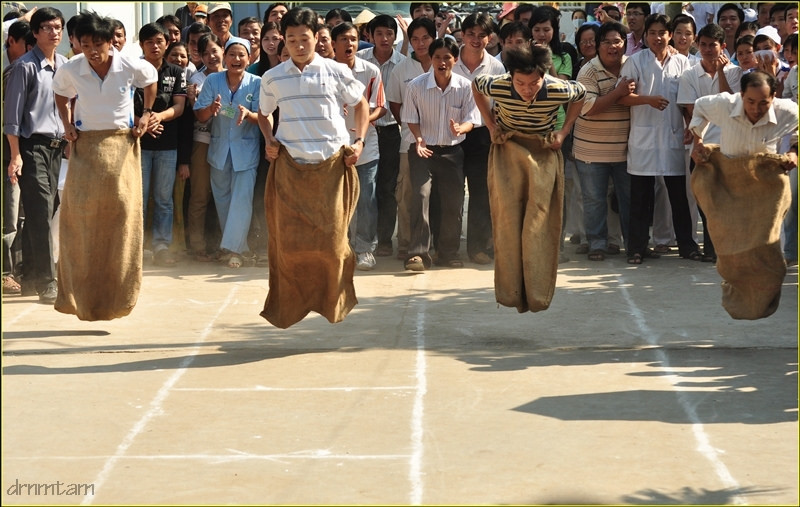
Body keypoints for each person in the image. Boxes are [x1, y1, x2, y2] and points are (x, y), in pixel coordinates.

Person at [258, 7, 368, 328]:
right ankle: (290, 306)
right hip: (289, 168)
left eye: (304, 38)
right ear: (284, 41)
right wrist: (269, 139)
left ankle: (332, 303)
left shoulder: (336, 71)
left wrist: (359, 141)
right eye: (290, 39)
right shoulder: (272, 77)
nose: (298, 45)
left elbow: (361, 104)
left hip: (332, 168)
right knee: (289, 246)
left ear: (316, 37)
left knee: (333, 246)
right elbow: (264, 114)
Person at [51, 11, 158, 320]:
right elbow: (59, 93)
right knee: (80, 215)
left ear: (112, 41)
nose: (93, 50)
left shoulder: (129, 65)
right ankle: (77, 297)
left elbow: (150, 81)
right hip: (85, 145)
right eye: (85, 44)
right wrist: (66, 123)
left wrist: (147, 112)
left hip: (122, 142)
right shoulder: (71, 68)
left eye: (99, 43)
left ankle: (120, 296)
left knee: (124, 212)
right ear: (77, 44)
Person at [473, 45, 585, 311]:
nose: (527, 89)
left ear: (544, 76)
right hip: (508, 148)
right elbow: (477, 87)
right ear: (510, 76)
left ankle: (536, 292)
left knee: (538, 221)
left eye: (533, 83)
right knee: (508, 220)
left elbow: (580, 95)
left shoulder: (558, 88)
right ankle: (510, 292)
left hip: (542, 150)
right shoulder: (497, 85)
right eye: (520, 83)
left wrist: (564, 131)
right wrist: (490, 125)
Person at [689, 71, 798, 318]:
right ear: (741, 96)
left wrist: (794, 150)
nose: (756, 108)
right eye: (750, 101)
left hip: (764, 183)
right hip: (728, 180)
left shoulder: (787, 110)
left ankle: (762, 296)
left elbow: (797, 128)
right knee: (730, 249)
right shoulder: (724, 104)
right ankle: (735, 291)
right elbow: (699, 108)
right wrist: (697, 141)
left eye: (763, 103)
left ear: (774, 98)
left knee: (765, 246)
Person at [618, 13, 700, 265]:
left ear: (670, 35)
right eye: (652, 33)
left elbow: (688, 102)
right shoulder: (635, 61)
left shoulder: (683, 64)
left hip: (673, 137)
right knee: (641, 198)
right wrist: (648, 100)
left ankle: (687, 245)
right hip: (643, 138)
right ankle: (636, 248)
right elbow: (621, 97)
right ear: (645, 36)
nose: (657, 37)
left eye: (662, 33)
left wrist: (691, 126)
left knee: (679, 197)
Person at [3, 7, 66, 303]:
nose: (54, 32)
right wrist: (15, 156)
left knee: (48, 209)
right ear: (36, 33)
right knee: (39, 211)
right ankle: (46, 281)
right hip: (31, 147)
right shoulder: (24, 67)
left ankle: (28, 274)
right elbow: (12, 118)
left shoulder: (65, 65)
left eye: (58, 27)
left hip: (56, 149)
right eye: (47, 27)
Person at [402, 37, 479, 272]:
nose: (442, 62)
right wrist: (418, 138)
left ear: (455, 59)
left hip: (452, 152)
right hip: (422, 151)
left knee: (452, 204)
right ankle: (417, 254)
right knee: (421, 196)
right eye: (437, 57)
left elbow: (472, 119)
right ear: (430, 59)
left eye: (447, 57)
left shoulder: (466, 87)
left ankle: (449, 252)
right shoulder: (415, 86)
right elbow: (410, 119)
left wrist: (460, 128)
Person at [677, 23, 743, 264]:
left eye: (712, 45)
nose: (706, 49)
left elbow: (730, 106)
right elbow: (693, 111)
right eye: (702, 45)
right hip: (702, 143)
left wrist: (723, 73)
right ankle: (710, 248)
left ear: (722, 46)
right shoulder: (689, 75)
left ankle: (726, 248)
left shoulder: (736, 73)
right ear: (697, 44)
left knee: (727, 199)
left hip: (729, 145)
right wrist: (698, 142)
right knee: (705, 199)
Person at [194, 36, 260, 269]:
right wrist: (211, 109)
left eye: (242, 54)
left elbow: (263, 117)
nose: (236, 59)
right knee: (223, 201)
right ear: (224, 55)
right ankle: (238, 248)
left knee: (241, 201)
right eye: (232, 54)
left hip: (246, 151)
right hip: (220, 150)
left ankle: (232, 250)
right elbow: (200, 114)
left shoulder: (257, 82)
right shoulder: (213, 80)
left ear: (250, 58)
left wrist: (248, 114)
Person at [572, 21, 634, 262]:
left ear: (625, 44)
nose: (612, 46)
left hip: (626, 149)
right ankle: (596, 243)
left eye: (616, 41)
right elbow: (587, 109)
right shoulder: (587, 70)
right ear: (598, 46)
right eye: (606, 42)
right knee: (594, 200)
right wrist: (618, 93)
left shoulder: (632, 66)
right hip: (591, 150)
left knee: (628, 199)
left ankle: (633, 243)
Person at [332, 22, 386, 271]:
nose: (349, 44)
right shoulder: (324, 70)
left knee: (366, 198)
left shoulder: (371, 70)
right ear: (333, 44)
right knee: (336, 200)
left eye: (353, 39)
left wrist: (362, 123)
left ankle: (364, 249)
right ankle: (339, 246)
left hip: (366, 144)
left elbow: (379, 107)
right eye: (343, 39)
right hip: (333, 145)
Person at [455, 12, 506, 265]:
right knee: (449, 193)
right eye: (471, 34)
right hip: (450, 134)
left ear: (490, 37)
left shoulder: (496, 67)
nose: (476, 39)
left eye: (482, 35)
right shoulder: (449, 60)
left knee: (480, 194)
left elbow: (499, 105)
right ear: (462, 35)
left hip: (482, 135)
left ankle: (478, 246)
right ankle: (446, 247)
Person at [135, 22, 187, 267]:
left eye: (159, 41)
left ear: (167, 43)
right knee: (140, 197)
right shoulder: (132, 70)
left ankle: (161, 245)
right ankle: (138, 246)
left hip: (168, 145)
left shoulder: (176, 72)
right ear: (142, 45)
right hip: (139, 145)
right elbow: (122, 105)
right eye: (149, 42)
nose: (155, 46)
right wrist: (143, 121)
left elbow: (179, 106)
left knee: (164, 198)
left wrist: (157, 117)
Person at [386, 16, 435, 262]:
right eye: (414, 38)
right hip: (410, 142)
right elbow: (395, 104)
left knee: (436, 197)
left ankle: (432, 245)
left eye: (425, 37)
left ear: (434, 38)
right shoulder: (401, 69)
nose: (420, 43)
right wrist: (409, 125)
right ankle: (405, 242)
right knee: (406, 195)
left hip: (442, 142)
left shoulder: (445, 62)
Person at [357, 14, 405, 259]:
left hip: (388, 132)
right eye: (379, 33)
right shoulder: (358, 60)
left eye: (389, 33)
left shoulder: (404, 64)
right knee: (365, 188)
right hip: (359, 132)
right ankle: (363, 238)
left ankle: (384, 239)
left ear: (395, 36)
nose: (384, 38)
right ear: (369, 36)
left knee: (387, 187)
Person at [186, 33, 223, 261]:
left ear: (222, 49)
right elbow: (198, 116)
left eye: (214, 50)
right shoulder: (196, 81)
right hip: (203, 142)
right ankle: (197, 245)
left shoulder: (234, 76)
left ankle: (224, 244)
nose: (211, 56)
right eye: (205, 52)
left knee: (223, 196)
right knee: (200, 196)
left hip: (229, 143)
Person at [1, 19, 30, 295]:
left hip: (16, 149)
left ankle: (17, 268)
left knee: (19, 213)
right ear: (11, 41)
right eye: (27, 44)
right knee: (9, 215)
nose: (31, 49)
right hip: (10, 149)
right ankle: (5, 272)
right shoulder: (14, 71)